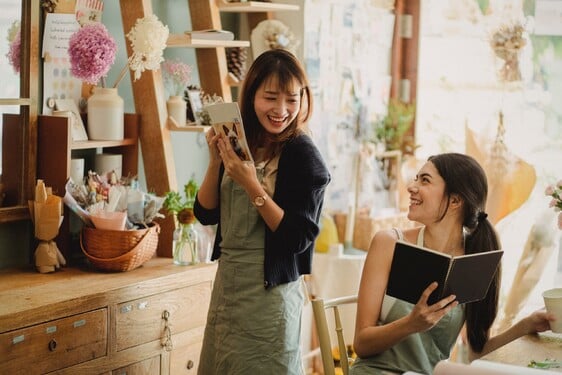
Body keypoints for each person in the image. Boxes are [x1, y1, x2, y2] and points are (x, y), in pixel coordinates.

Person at [350, 153, 554, 375]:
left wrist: (525, 326)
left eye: (424, 180)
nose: (411, 187)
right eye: (416, 178)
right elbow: (362, 344)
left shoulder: (474, 260)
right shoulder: (388, 243)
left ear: (455, 200)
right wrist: (411, 324)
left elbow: (477, 352)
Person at [194, 49, 331, 375]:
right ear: (251, 94)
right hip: (228, 289)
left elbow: (297, 238)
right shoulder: (241, 142)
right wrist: (216, 164)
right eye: (271, 97)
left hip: (269, 300)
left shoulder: (303, 155)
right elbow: (205, 213)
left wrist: (252, 186)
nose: (281, 110)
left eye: (292, 99)